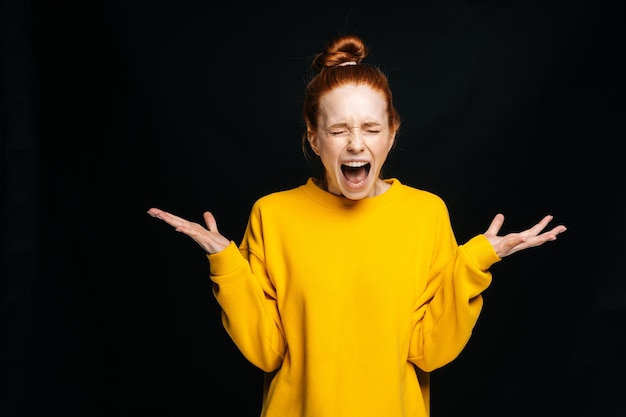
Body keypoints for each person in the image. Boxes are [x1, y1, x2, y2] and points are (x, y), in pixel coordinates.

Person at [147, 34, 566, 417]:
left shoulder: (426, 213)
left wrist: (475, 261)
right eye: (338, 129)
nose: (355, 143)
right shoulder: (272, 215)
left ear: (391, 134)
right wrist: (227, 263)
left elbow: (429, 351)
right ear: (313, 138)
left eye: (371, 128)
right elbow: (268, 352)